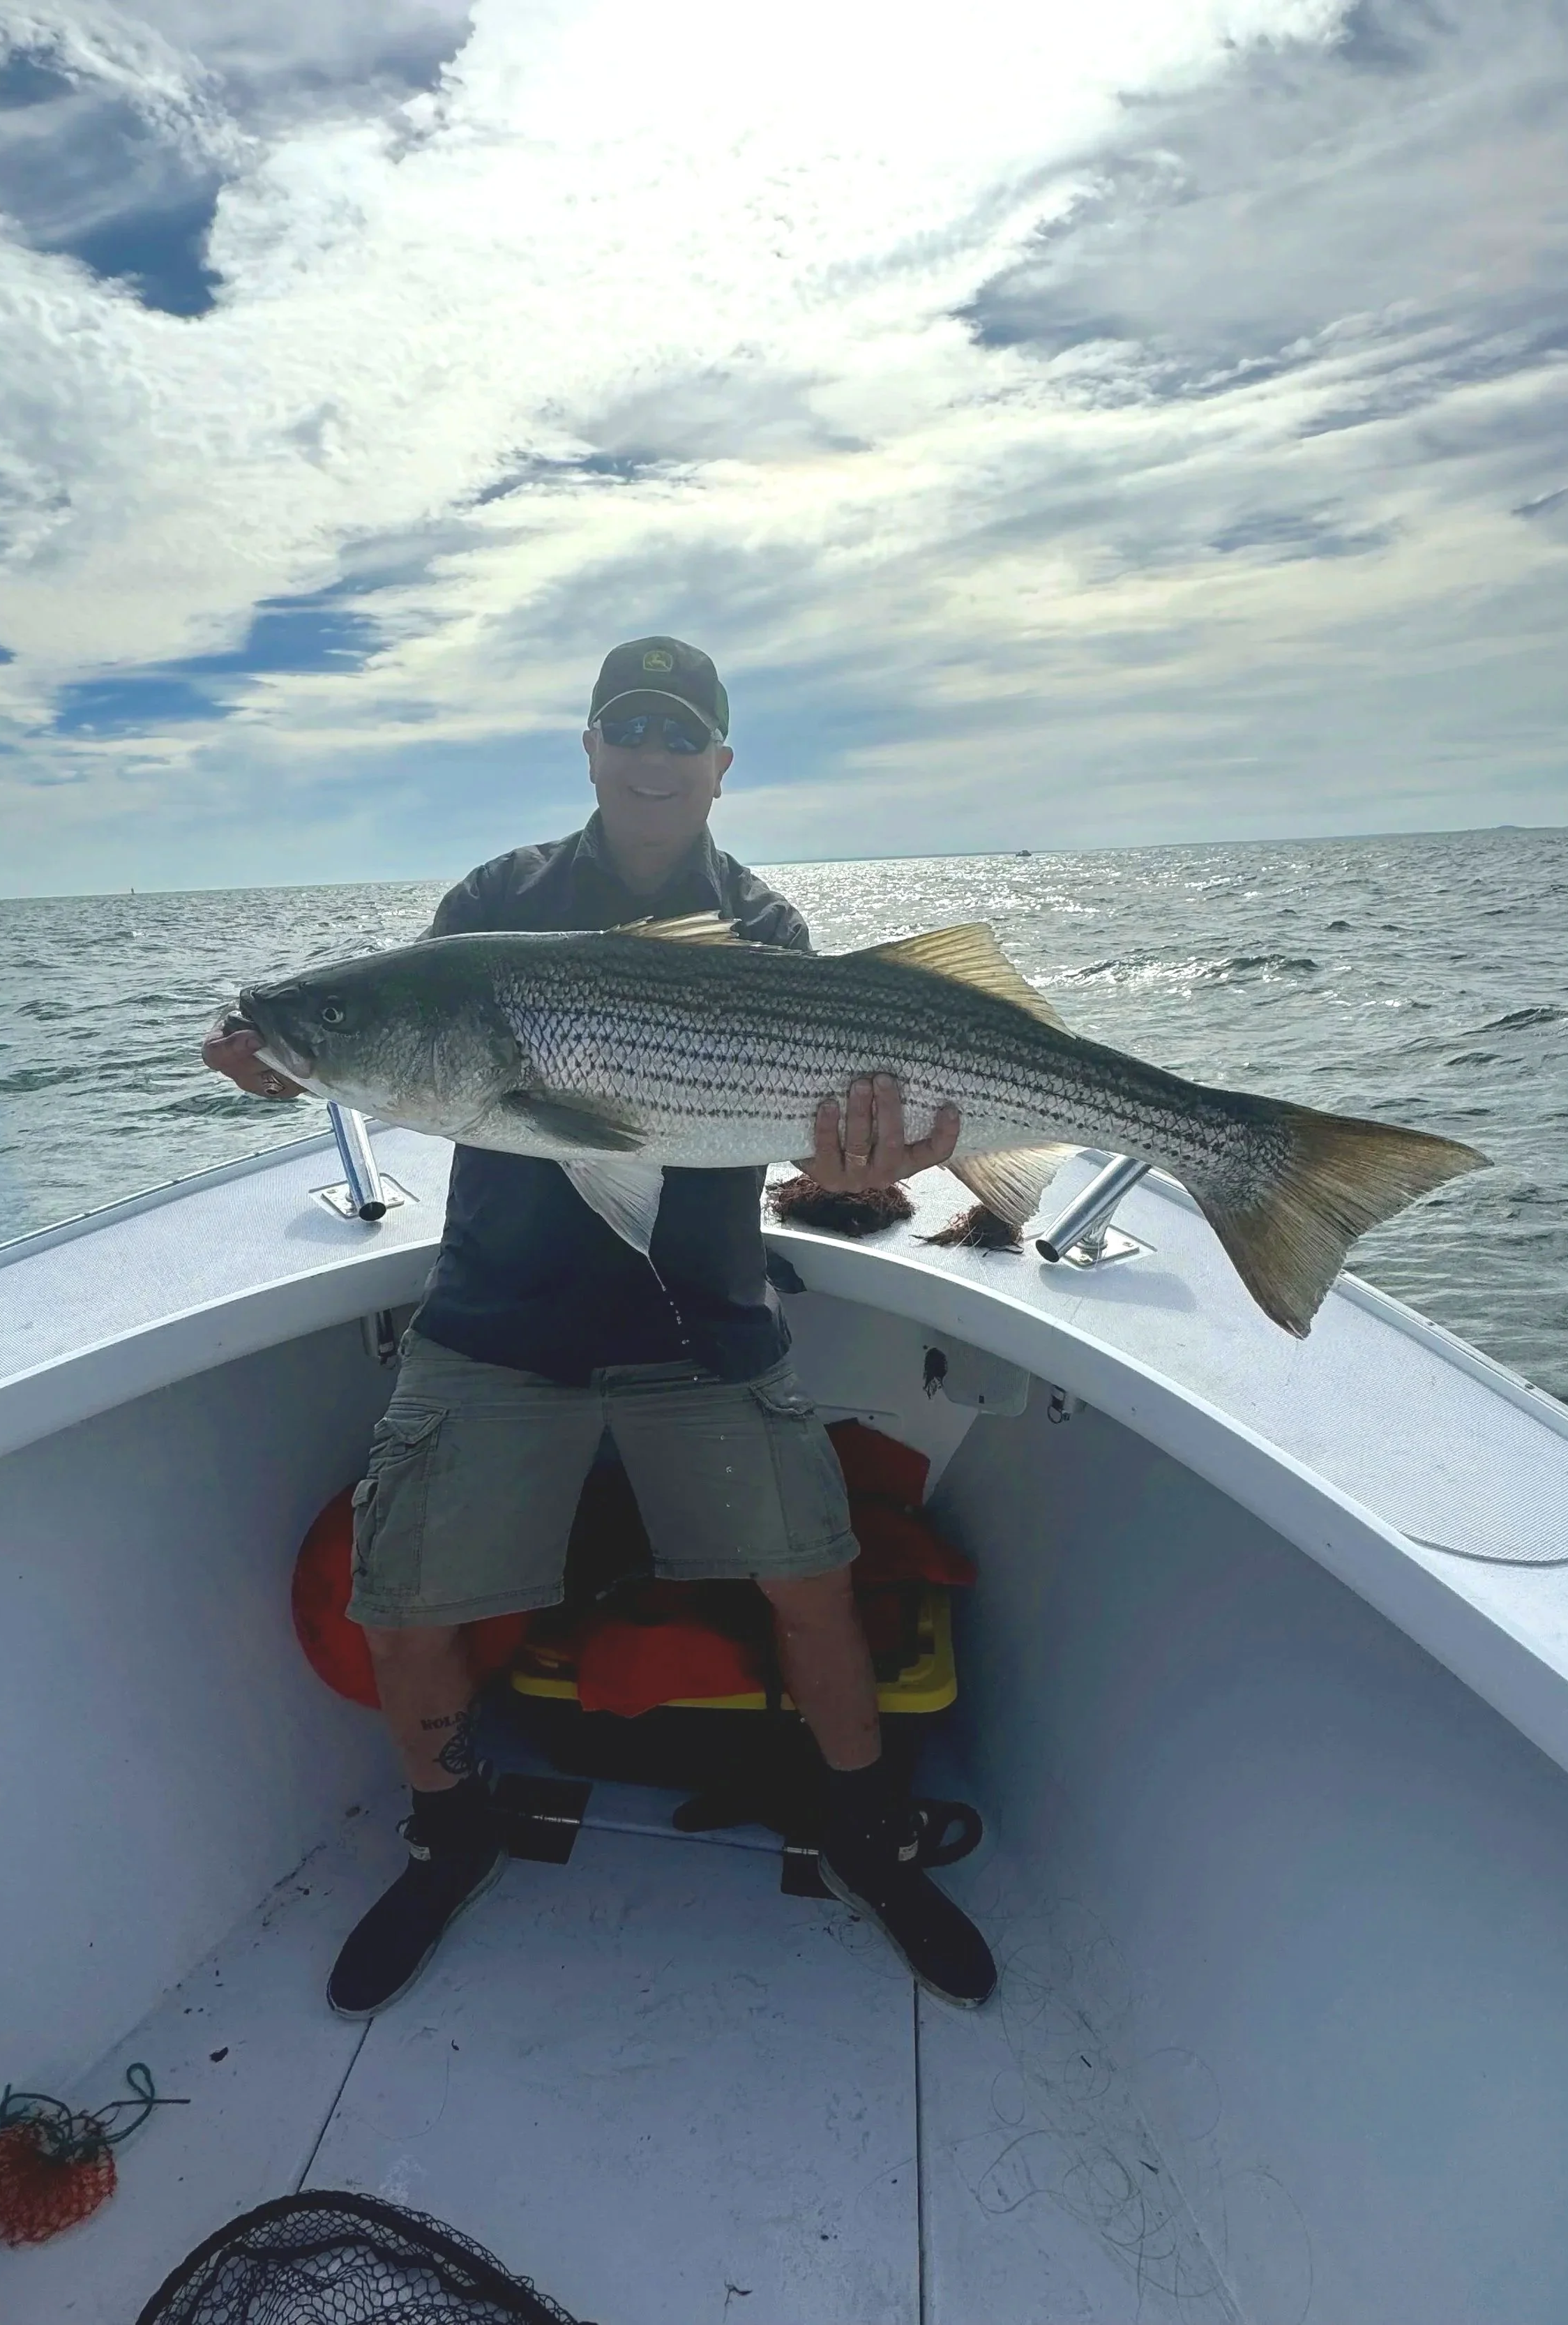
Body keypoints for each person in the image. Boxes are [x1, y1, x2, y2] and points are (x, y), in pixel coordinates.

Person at [204, 637, 998, 2017]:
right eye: (624, 722)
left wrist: (882, 1162)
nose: (650, 749)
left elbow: (798, 1143)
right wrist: (291, 1054)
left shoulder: (764, 930)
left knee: (815, 1586)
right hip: (495, 1327)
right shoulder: (490, 909)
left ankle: (863, 1831)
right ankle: (449, 1837)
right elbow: (372, 1049)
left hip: (702, 1325)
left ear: (718, 766)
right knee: (397, 1612)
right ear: (585, 745)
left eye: (678, 731)